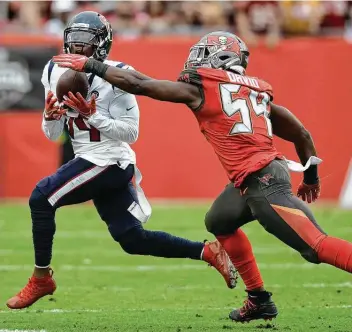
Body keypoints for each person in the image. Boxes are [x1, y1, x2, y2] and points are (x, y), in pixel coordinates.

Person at [53, 30, 352, 323]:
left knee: (315, 247)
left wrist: (91, 65)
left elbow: (139, 84)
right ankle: (259, 300)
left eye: (204, 55)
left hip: (263, 180)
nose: (196, 61)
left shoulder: (204, 87)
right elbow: (301, 133)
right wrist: (311, 176)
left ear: (221, 59)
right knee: (219, 221)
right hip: (255, 177)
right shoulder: (254, 91)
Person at [6, 14, 236, 310]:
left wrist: (93, 116)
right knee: (132, 240)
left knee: (41, 197)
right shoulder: (53, 69)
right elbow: (52, 134)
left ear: (101, 47)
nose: (76, 48)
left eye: (85, 43)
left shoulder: (118, 76)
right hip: (87, 158)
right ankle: (207, 251)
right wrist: (49, 117)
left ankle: (41, 278)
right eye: (73, 40)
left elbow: (131, 132)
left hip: (111, 161)